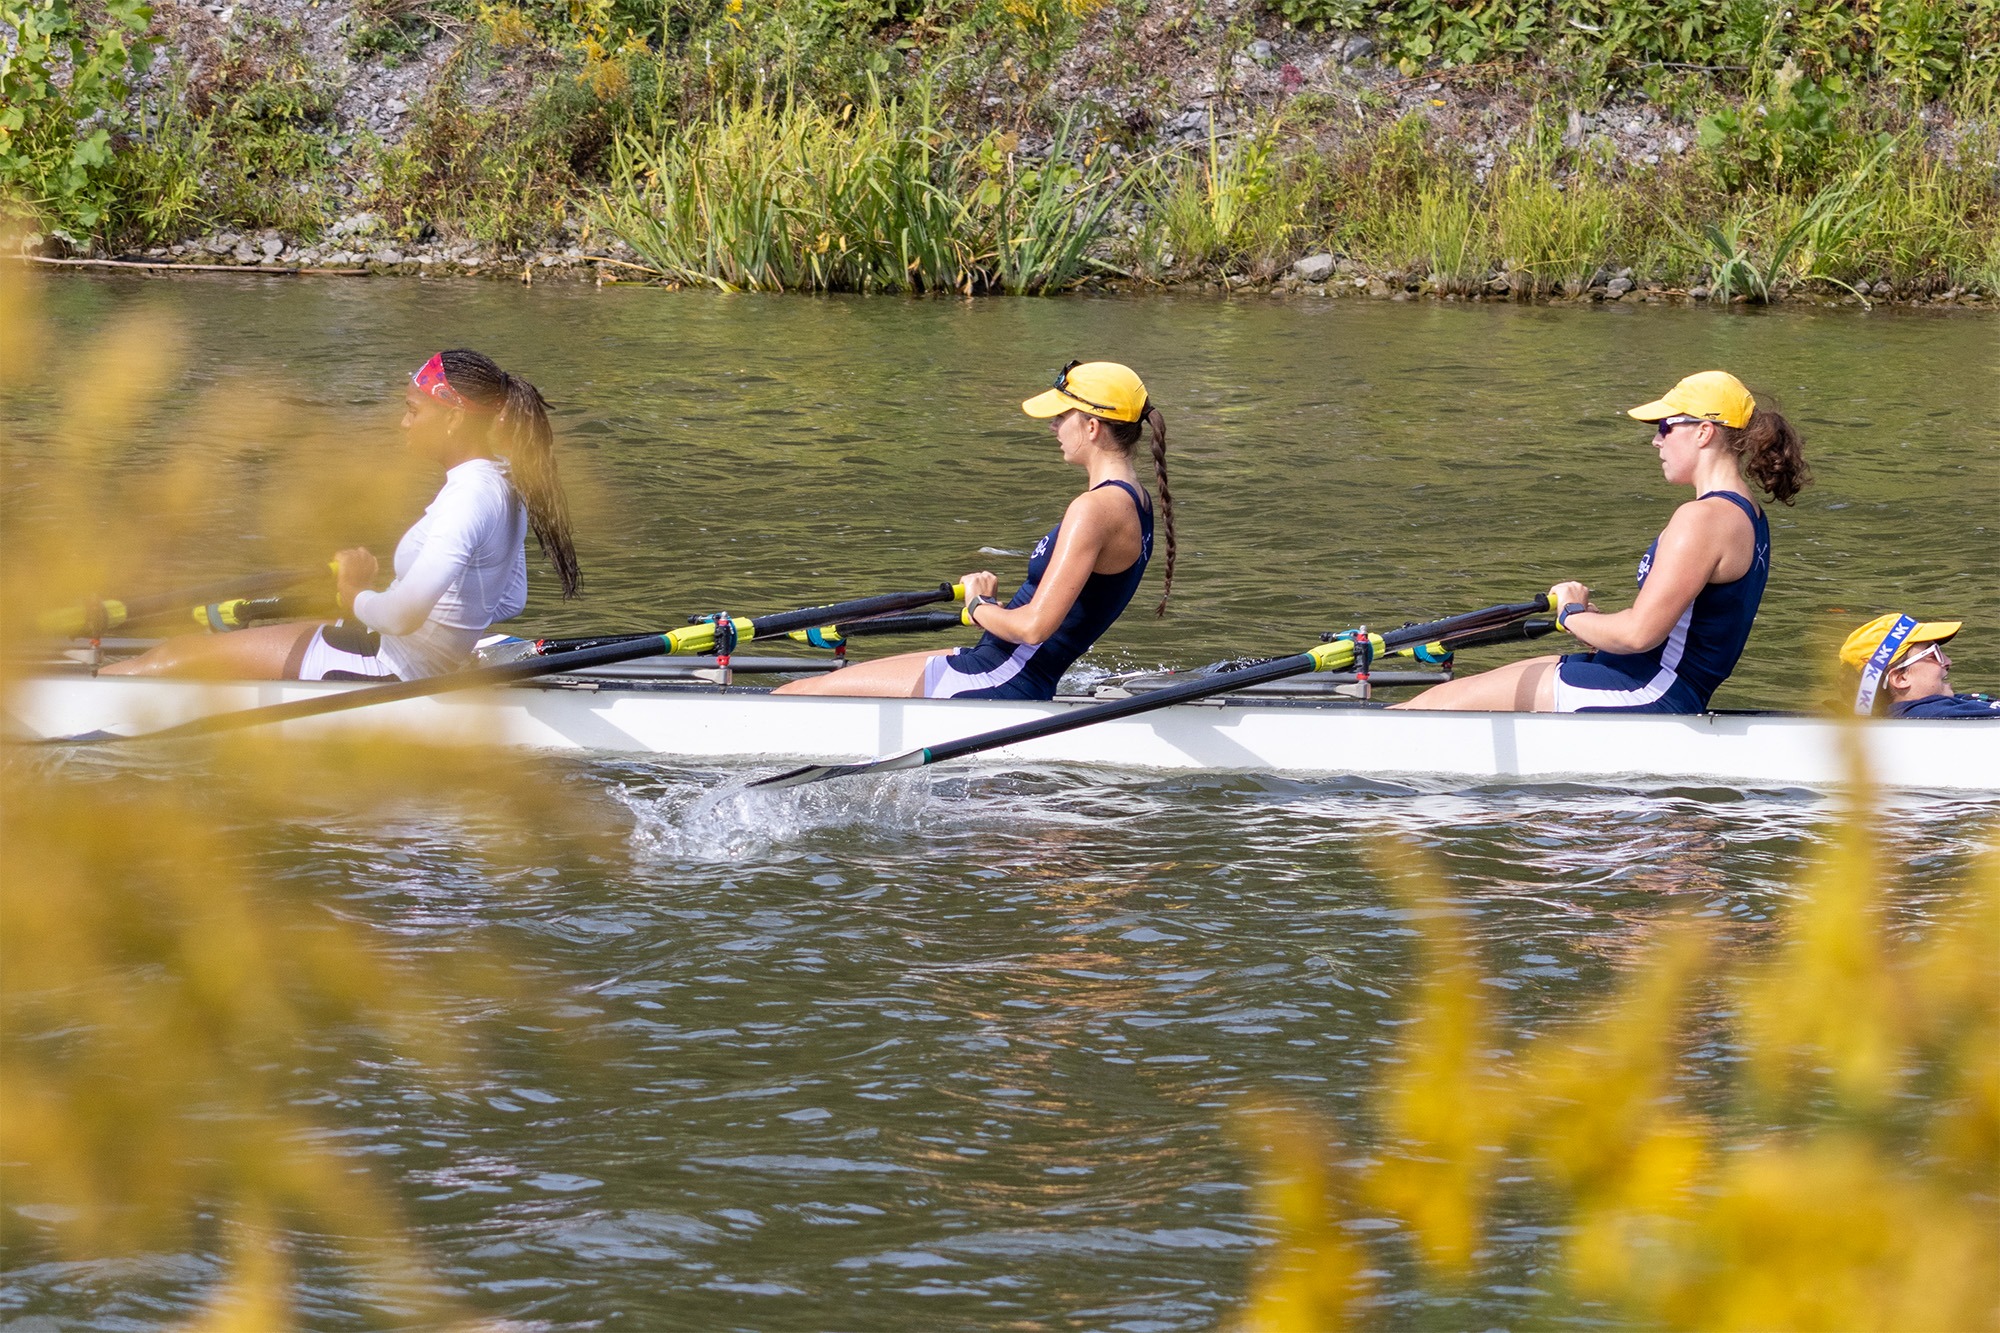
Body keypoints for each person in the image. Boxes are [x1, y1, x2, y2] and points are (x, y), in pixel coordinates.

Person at [103, 350, 579, 681]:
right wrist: (439, 620)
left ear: (453, 417)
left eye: (413, 411)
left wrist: (356, 594)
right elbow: (508, 598)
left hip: (388, 668)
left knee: (175, 655)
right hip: (405, 654)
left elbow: (403, 614)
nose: (404, 423)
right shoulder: (505, 481)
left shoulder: (468, 497)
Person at [1394, 370, 1809, 713]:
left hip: (1646, 690)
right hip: (1647, 679)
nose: (1656, 441)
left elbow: (1637, 635)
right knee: (1449, 698)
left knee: (1420, 711)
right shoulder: (1748, 515)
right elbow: (1682, 632)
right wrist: (1593, 625)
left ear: (1703, 432)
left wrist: (1570, 614)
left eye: (1665, 427)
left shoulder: (1702, 518)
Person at [776, 360, 1175, 700]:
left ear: (1091, 427)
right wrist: (994, 610)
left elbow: (1034, 628)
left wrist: (980, 605)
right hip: (998, 664)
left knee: (792, 695)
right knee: (822, 684)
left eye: (1061, 416)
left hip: (1001, 677)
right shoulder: (1135, 500)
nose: (1053, 426)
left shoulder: (1094, 508)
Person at [1839, 614, 1999, 718]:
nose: (1948, 661)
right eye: (1933, 654)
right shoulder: (1930, 714)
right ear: (1900, 678)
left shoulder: (1938, 705)